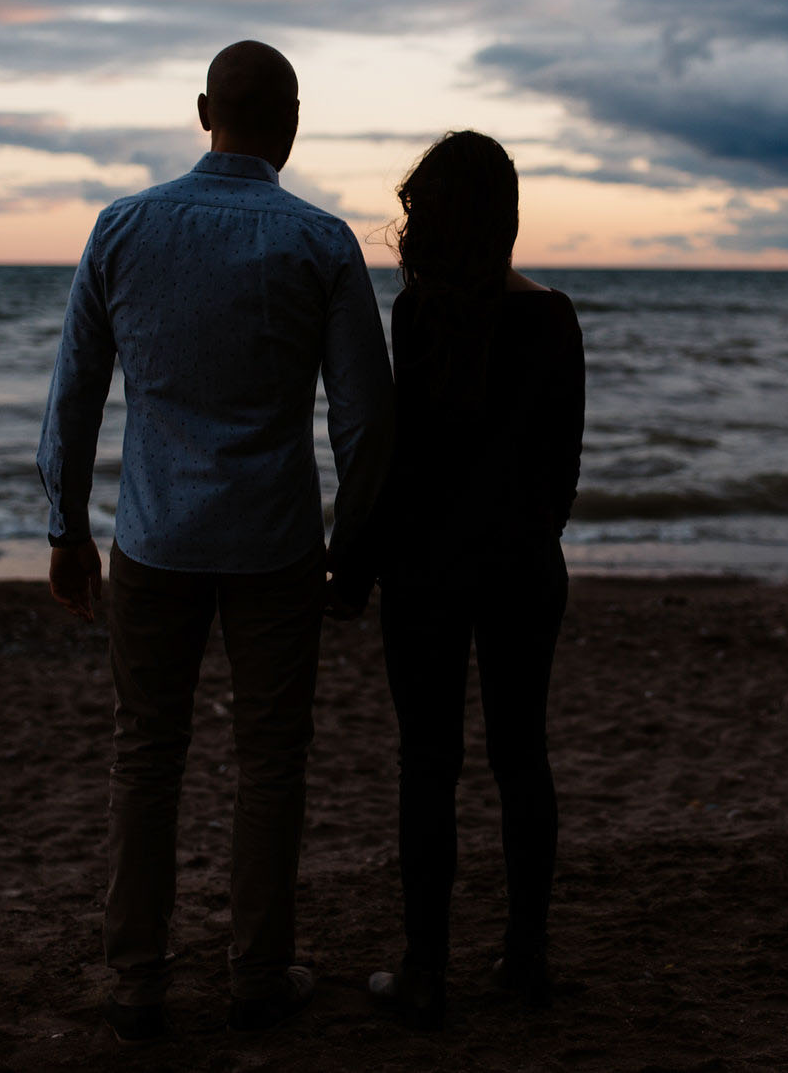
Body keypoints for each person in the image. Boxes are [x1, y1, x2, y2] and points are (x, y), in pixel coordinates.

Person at [37, 40, 394, 1043]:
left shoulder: (123, 226)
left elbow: (73, 395)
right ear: (289, 123)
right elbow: (365, 420)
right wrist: (350, 545)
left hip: (153, 537)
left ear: (204, 111)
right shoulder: (321, 242)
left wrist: (66, 526)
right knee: (270, 757)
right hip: (275, 543)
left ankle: (137, 977)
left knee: (146, 754)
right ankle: (257, 970)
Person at [334, 130, 585, 1031]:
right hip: (522, 567)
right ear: (510, 220)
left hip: (427, 571)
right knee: (524, 757)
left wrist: (353, 563)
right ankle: (525, 959)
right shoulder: (555, 318)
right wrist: (523, 539)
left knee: (428, 763)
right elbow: (562, 474)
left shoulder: (418, 316)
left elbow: (400, 460)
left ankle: (425, 969)